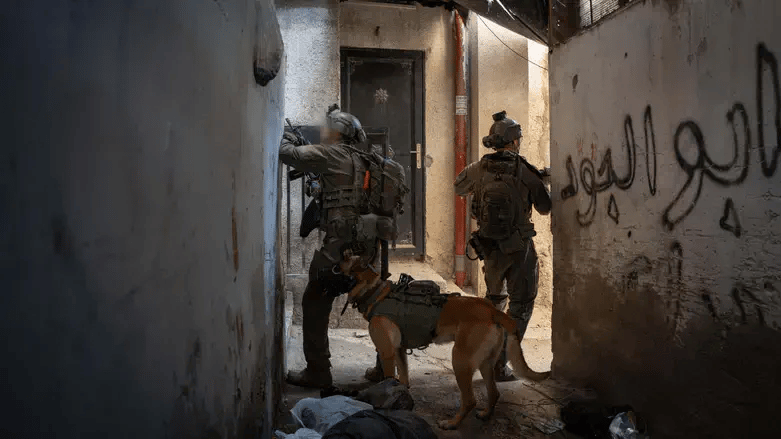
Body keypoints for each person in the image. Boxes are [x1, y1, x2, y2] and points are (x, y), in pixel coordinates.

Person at [281, 105, 405, 388]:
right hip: (368, 246)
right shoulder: (367, 159)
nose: (324, 132)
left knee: (315, 302)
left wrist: (285, 135)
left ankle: (318, 372)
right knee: (377, 306)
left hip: (338, 247)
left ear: (337, 132)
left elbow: (291, 155)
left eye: (327, 129)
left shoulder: (332, 154)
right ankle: (384, 371)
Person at [453, 110, 551, 381]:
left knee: (494, 302)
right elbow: (545, 208)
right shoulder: (524, 169)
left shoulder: (478, 167)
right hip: (519, 249)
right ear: (514, 141)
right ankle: (500, 364)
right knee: (521, 305)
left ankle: (486, 357)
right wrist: (539, 182)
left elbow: (459, 187)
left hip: (490, 249)